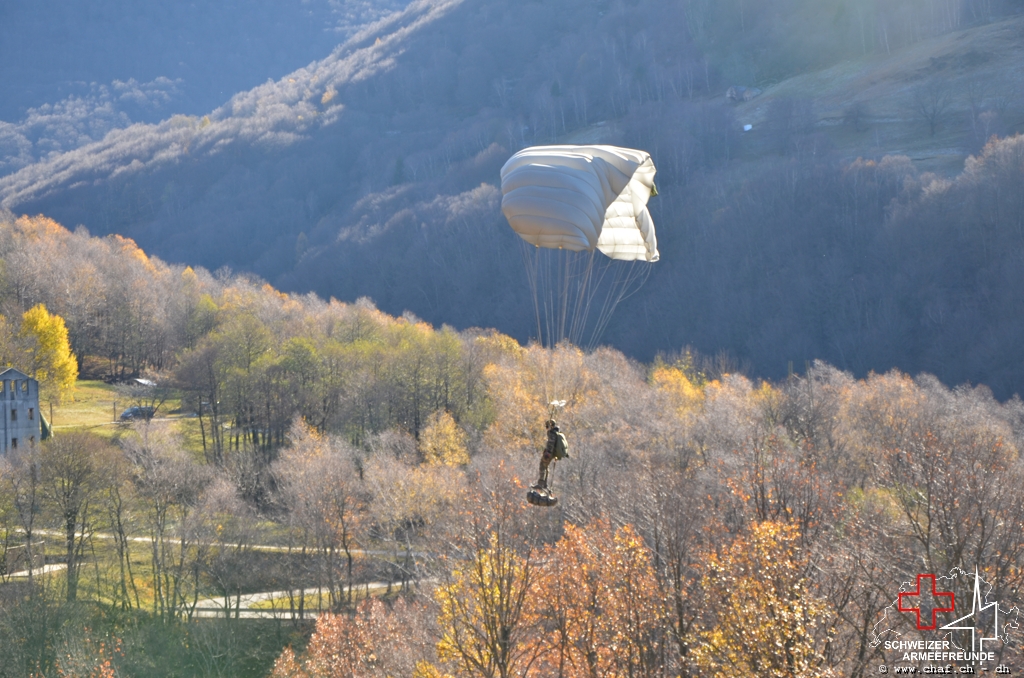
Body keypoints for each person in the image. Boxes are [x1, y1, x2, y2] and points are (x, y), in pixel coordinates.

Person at [533, 419, 563, 491]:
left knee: (542, 465)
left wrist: (548, 452)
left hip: (549, 453)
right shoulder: (555, 432)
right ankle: (544, 484)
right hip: (552, 453)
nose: (546, 428)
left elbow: (551, 443)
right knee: (546, 466)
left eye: (547, 426)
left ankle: (541, 483)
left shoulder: (552, 433)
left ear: (550, 426)